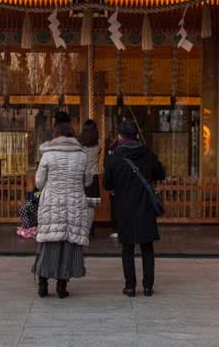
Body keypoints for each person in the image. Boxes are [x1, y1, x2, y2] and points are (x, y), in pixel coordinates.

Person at [104, 121, 165, 297]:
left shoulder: (114, 156)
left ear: (120, 136)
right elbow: (161, 174)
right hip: (145, 206)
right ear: (137, 135)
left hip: (124, 207)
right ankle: (148, 287)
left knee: (127, 248)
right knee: (147, 248)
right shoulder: (147, 153)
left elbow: (107, 183)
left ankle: (130, 287)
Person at [32, 122, 93, 299]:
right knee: (68, 244)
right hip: (74, 202)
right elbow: (88, 181)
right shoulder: (82, 155)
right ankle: (61, 286)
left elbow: (39, 183)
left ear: (56, 136)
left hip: (52, 202)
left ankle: (42, 283)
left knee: (48, 242)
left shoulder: (48, 155)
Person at [79, 119, 101, 237]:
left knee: (80, 204)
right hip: (93, 176)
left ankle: (80, 230)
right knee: (90, 206)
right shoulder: (99, 143)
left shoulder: (79, 144)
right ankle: (88, 231)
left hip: (80, 176)